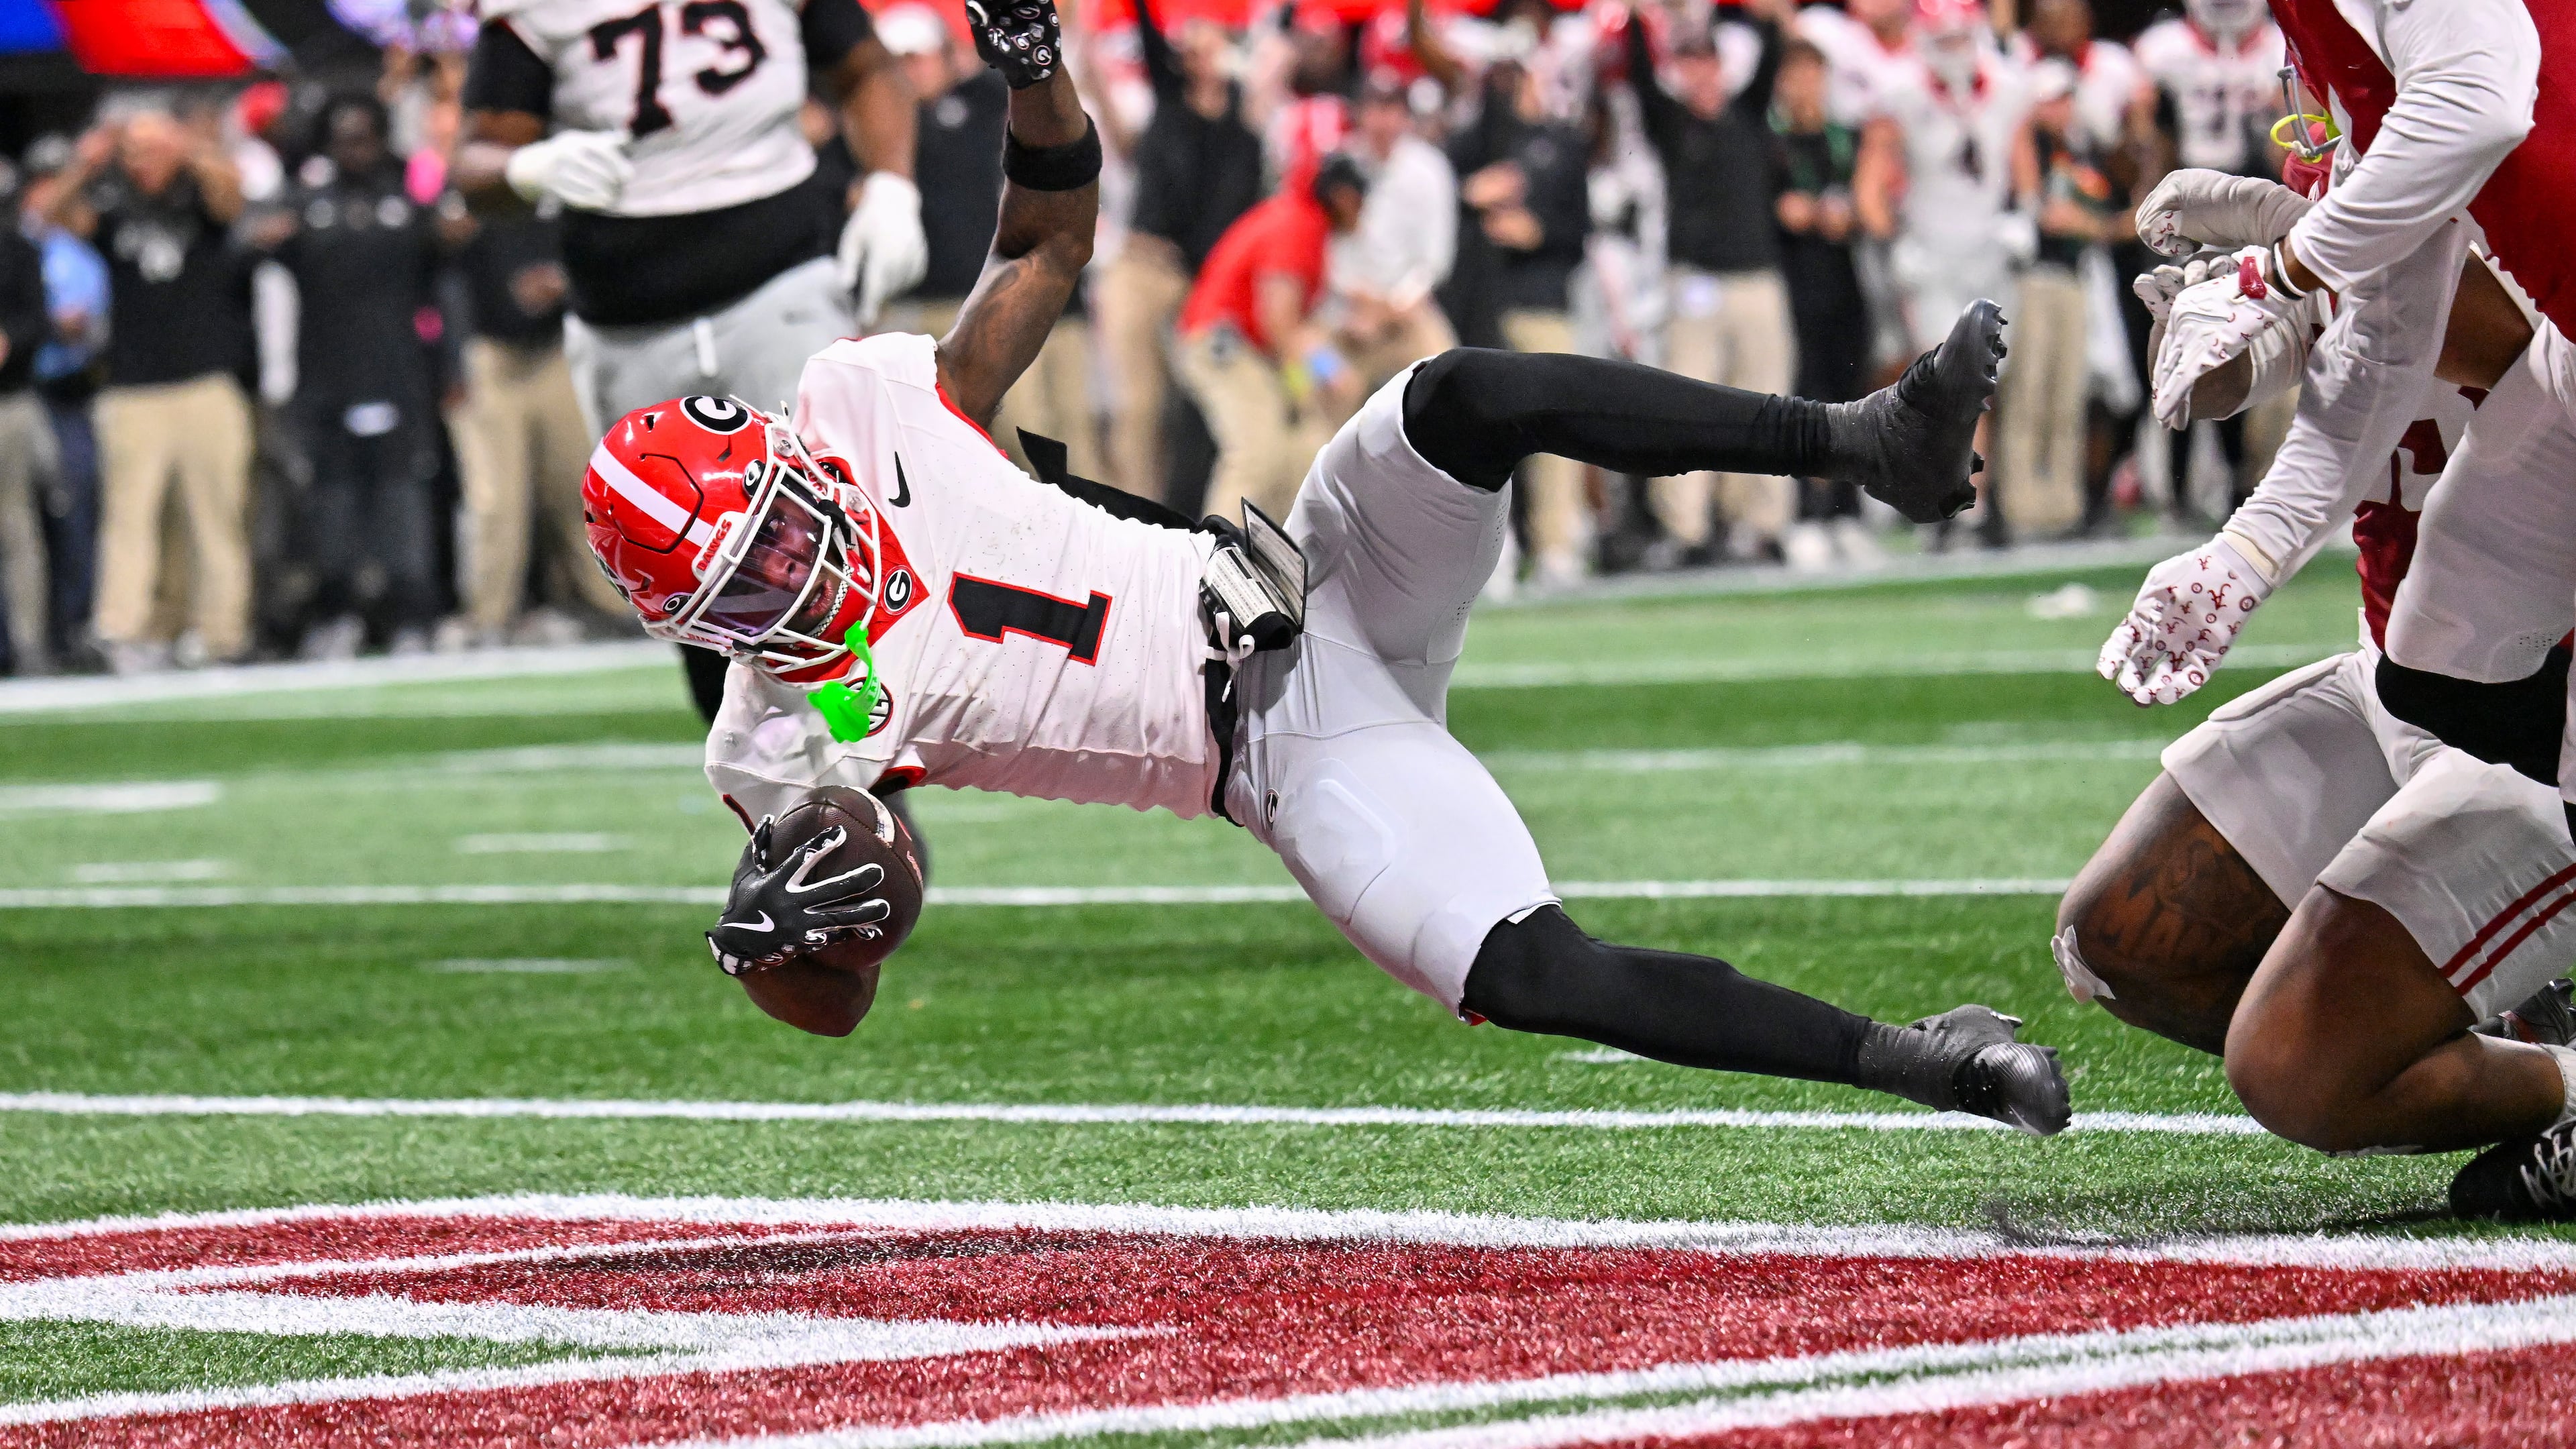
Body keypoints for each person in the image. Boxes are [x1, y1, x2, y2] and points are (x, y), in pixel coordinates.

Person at [582, 1, 2044, 1140]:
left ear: (795, 457)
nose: (796, 563)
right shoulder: (786, 727)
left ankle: (1866, 439)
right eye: (751, 577)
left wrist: (1035, 70)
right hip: (1280, 751)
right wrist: (784, 950)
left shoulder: (866, 404)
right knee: (1527, 971)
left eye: (785, 518)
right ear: (697, 625)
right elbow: (841, 980)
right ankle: (1926, 1058)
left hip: (1314, 574)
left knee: (1463, 396)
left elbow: (1050, 239)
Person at [2073, 191, 2576, 1215]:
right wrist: (2227, 339)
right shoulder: (2373, 155)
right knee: (2122, 938)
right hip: (2403, 671)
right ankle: (2522, 1031)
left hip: (2537, 716)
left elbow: (2513, 344)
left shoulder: (2508, 137)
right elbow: (2351, 340)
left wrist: (2293, 267)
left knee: (2292, 1067)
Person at [451, 0, 923, 714]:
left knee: (840, 527)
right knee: (682, 563)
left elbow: (865, 69)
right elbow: (476, 160)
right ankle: (758, 760)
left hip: (779, 275)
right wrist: (526, 168)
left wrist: (893, 182)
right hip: (627, 319)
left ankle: (880, 747)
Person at [39, 100, 256, 675]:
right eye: (133, 151)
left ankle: (222, 631)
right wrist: (85, 163)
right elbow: (53, 215)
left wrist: (188, 147)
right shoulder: (114, 207)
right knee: (129, 517)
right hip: (134, 388)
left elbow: (233, 197)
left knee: (216, 515)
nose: (143, 162)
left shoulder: (201, 197)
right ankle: (121, 629)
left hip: (206, 381)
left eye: (152, 149)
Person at [251, 95, 446, 657]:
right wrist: (268, 233)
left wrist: (449, 368)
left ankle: (410, 612)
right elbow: (247, 243)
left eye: (364, 138)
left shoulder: (406, 203)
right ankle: (336, 610)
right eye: (343, 140)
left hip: (398, 373)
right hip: (325, 377)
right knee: (331, 501)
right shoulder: (304, 203)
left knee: (401, 498)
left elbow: (446, 276)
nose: (354, 150)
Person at [1625, 0, 1799, 566]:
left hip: (1756, 280)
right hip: (1695, 283)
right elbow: (1638, 76)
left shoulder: (1748, 114)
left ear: (1722, 68)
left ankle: (1763, 524)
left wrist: (1768, 16)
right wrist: (1636, 19)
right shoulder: (1671, 124)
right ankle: (1686, 529)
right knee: (1686, 406)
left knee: (1769, 404)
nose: (1700, 73)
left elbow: (1772, 52)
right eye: (1690, 62)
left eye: (1708, 61)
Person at [1853, 0, 2027, 541]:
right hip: (1931, 254)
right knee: (1942, 385)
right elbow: (1870, 184)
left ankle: (1971, 502)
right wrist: (1893, 240)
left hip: (1988, 253)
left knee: (1981, 386)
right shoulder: (1902, 93)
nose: (1953, 52)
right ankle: (1943, 500)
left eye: (1960, 39)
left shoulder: (2007, 88)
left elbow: (2022, 162)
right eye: (1943, 41)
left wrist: (2024, 215)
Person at [441, 164, 621, 647]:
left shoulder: (558, 174)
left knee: (580, 486)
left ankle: (612, 605)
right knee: (496, 497)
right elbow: (436, 262)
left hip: (556, 350)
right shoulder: (470, 181)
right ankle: (489, 615)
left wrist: (564, 281)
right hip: (490, 354)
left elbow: (604, 249)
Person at [1094, 0, 1264, 503]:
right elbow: (1149, 34)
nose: (1200, 54)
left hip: (1200, 279)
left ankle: (1182, 509)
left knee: (1194, 405)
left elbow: (1232, 216)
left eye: (1211, 44)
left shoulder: (1242, 137)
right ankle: (1131, 510)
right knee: (1137, 404)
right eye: (1193, 47)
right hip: (1143, 267)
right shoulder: (1168, 102)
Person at [2129, 0, 2282, 520]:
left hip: (2250, 207)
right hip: (2186, 207)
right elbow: (2147, 131)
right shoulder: (2164, 49)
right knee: (2175, 341)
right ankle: (2177, 485)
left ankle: (2236, 478)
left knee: (2235, 340)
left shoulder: (2276, 46)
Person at [1447, 51, 1593, 586]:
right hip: (1481, 308)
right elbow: (1440, 201)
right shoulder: (1476, 141)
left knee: (1557, 432)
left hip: (1542, 302)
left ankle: (1556, 544)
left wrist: (1538, 233)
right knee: (1485, 435)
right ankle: (1492, 551)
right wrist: (1469, 196)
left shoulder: (1564, 145)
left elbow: (1579, 235)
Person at [1173, 156, 1370, 523]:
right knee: (1257, 450)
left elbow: (1287, 333)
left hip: (1254, 352)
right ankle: (1216, 550)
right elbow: (1279, 323)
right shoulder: (1300, 224)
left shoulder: (1301, 220)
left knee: (1302, 450)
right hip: (1222, 345)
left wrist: (1301, 391)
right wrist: (1329, 370)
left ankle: (1276, 549)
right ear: (1345, 197)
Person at [1769, 37, 1876, 570]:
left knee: (1851, 399)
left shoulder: (1845, 138)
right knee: (1802, 400)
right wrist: (1786, 211)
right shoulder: (1772, 143)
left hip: (1846, 285)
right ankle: (1809, 512)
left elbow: (1874, 201)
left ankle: (1847, 511)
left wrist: (1853, 215)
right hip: (1794, 287)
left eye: (1813, 75)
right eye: (1796, 76)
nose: (1805, 87)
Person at [1994, 59, 2109, 541]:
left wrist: (2087, 223)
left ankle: (2062, 505)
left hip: (2075, 278)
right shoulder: (2027, 144)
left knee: (2066, 395)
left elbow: (2100, 213)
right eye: (2050, 101)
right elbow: (2034, 205)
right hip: (2032, 279)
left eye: (2064, 100)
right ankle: (2021, 504)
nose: (2059, 110)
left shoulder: (2081, 149)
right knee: (2030, 391)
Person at [19, 136, 109, 669]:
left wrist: (34, 323)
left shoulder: (77, 255)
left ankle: (74, 625)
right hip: (20, 393)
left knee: (73, 510)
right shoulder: (16, 248)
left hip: (66, 396)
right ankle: (26, 638)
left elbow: (79, 328)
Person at [1332, 74, 1458, 396]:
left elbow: (1435, 259)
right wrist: (1358, 298)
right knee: (1318, 381)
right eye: (1374, 108)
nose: (1382, 121)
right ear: (1360, 113)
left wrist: (1394, 306)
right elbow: (1329, 245)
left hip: (1409, 309)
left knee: (1448, 381)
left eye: (1391, 109)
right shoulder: (1339, 163)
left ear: (1405, 117)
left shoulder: (1429, 169)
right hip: (1347, 309)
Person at [0, 160, 52, 677]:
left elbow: (38, 321)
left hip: (8, 402)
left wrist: (9, 340)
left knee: (15, 525)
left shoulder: (18, 250)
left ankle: (28, 643)